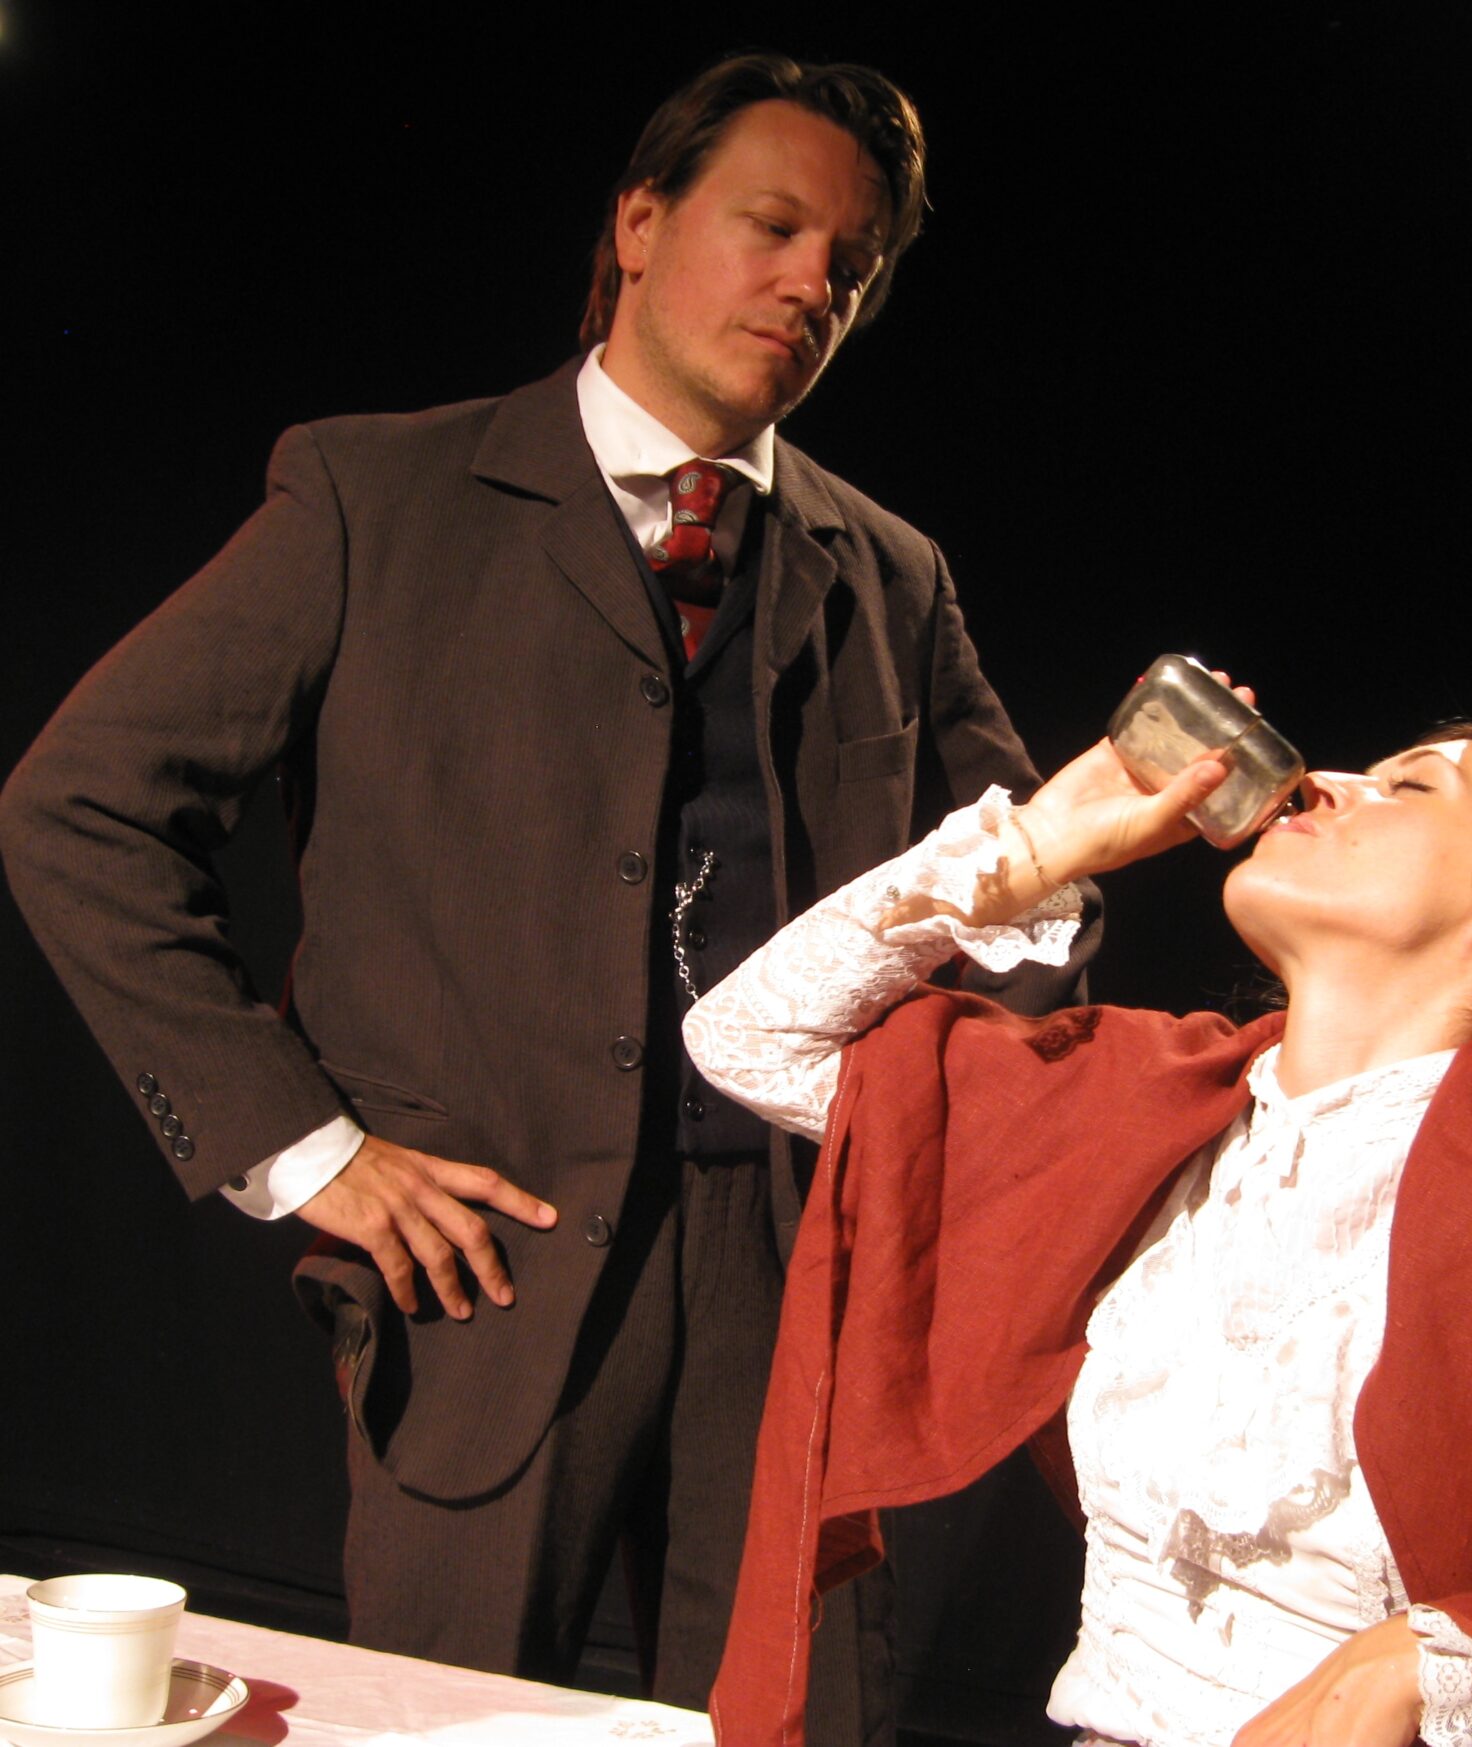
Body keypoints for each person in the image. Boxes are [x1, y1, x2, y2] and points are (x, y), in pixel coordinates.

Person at [0, 52, 1094, 1733]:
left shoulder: (889, 570)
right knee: (439, 1724)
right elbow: (81, 806)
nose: (812, 283)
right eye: (774, 226)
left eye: (853, 264)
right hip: (485, 1276)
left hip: (793, 1271)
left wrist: (1043, 916)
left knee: (795, 1722)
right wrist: (307, 1150)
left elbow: (1035, 904)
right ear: (642, 224)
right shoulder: (375, 496)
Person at [685, 683, 1472, 1746]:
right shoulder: (1145, 1103)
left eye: (1408, 786)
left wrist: (1426, 1662)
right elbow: (748, 1037)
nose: (1321, 781)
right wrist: (1047, 840)